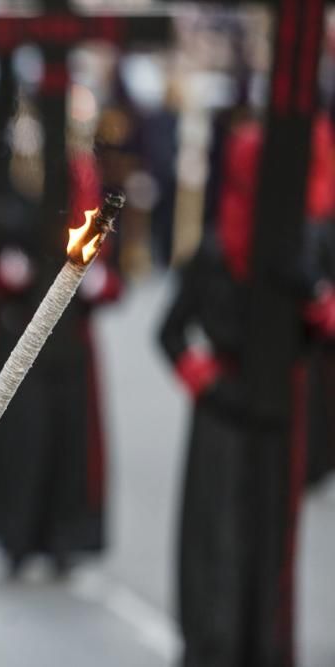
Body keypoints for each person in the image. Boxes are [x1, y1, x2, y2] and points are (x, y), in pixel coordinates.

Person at [159, 117, 335, 667]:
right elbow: (169, 333)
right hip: (223, 415)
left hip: (280, 415)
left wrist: (311, 294)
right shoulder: (215, 248)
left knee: (267, 537)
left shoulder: (308, 248)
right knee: (219, 540)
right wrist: (207, 384)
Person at [0, 151, 120, 576]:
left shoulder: (93, 218)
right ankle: (18, 537)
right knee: (26, 444)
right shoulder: (19, 211)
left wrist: (100, 284)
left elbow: (115, 282)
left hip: (74, 353)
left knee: (71, 448)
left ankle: (66, 537)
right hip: (29, 345)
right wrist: (9, 274)